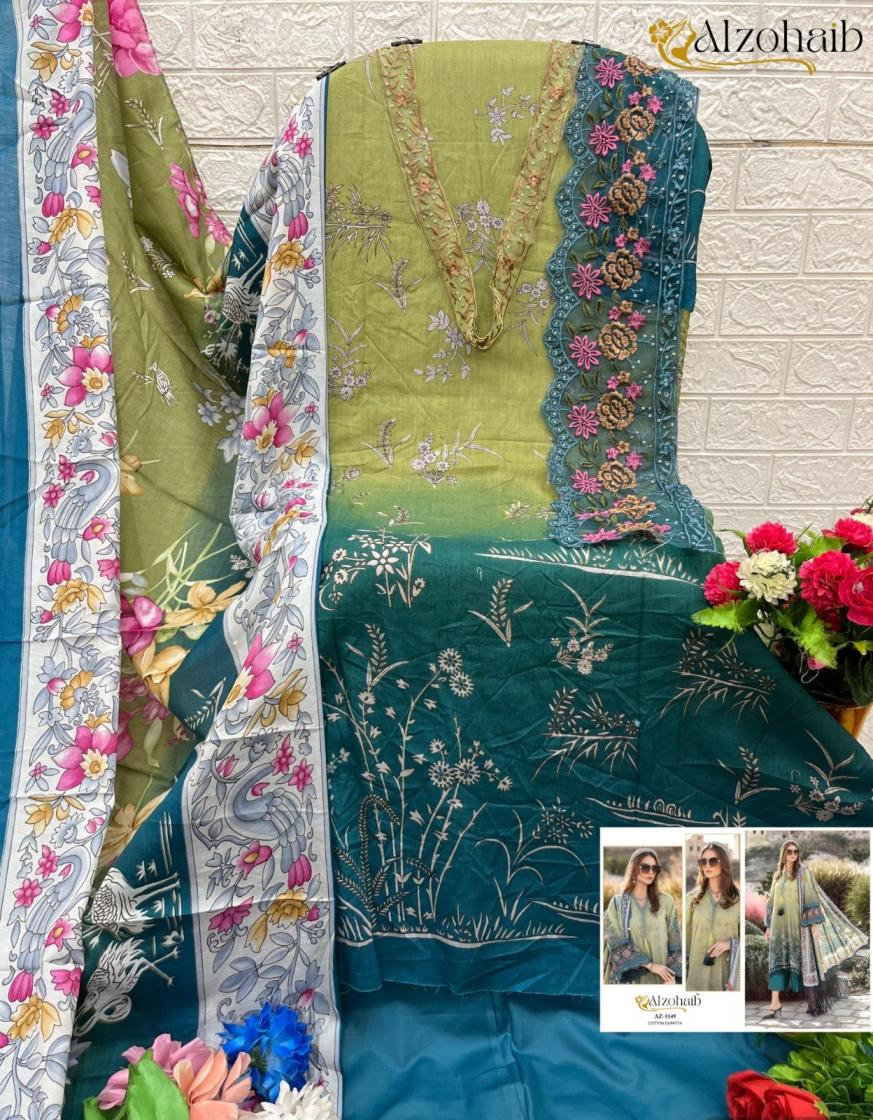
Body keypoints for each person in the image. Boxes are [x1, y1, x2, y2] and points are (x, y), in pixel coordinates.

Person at [764, 839, 868, 1018]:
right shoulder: (777, 876)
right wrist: (768, 926)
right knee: (777, 963)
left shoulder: (803, 873)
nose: (793, 855)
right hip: (779, 928)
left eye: (796, 851)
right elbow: (771, 902)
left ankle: (813, 1004)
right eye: (789, 851)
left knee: (806, 964)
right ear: (783, 854)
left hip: (799, 928)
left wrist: (813, 926)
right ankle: (775, 1004)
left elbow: (811, 899)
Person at [603, 848, 682, 984]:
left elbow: (675, 941)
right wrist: (650, 965)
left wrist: (673, 976)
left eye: (655, 868)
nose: (651, 872)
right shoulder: (617, 903)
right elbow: (613, 938)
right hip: (630, 980)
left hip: (662, 979)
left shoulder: (666, 901)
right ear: (633, 869)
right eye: (645, 867)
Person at [685, 842, 741, 991]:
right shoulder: (692, 899)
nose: (707, 865)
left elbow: (747, 938)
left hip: (724, 973)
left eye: (713, 861)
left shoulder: (738, 900)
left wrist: (730, 944)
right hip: (696, 975)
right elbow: (685, 940)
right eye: (703, 861)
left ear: (724, 863)